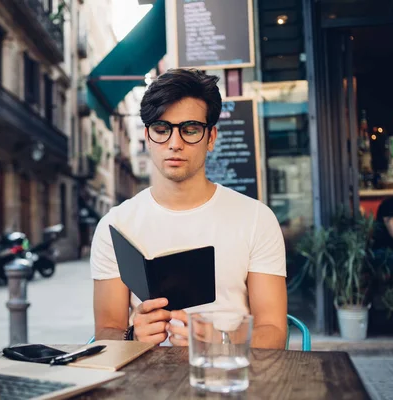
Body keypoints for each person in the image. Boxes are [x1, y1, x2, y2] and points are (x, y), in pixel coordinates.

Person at [90, 69, 287, 349]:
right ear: (147, 136)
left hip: (231, 375)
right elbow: (107, 331)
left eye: (190, 130)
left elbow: (274, 330)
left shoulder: (256, 218)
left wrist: (222, 342)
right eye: (162, 129)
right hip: (146, 381)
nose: (174, 143)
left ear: (211, 138)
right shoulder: (116, 225)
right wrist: (131, 337)